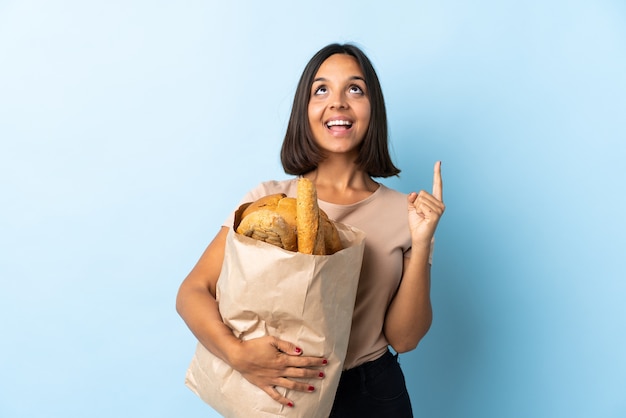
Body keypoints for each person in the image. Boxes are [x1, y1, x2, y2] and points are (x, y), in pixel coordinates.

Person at [176, 43, 445, 417]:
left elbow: (406, 338)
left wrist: (421, 239)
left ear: (373, 109)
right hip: (280, 388)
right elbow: (192, 291)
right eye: (322, 90)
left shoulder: (408, 212)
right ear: (305, 111)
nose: (338, 103)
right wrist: (239, 355)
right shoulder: (268, 199)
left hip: (371, 395)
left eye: (355, 89)